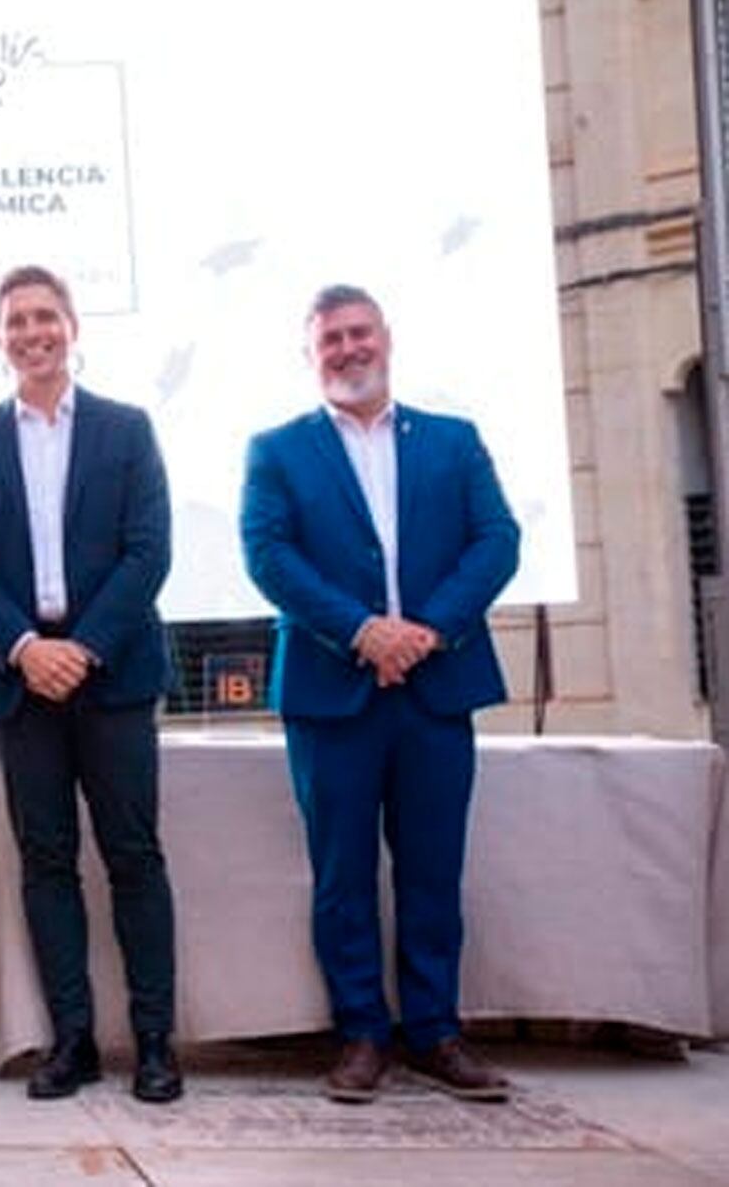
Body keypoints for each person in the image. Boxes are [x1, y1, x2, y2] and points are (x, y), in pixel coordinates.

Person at [239, 283, 520, 1104]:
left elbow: (497, 540)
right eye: (331, 339)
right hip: (334, 692)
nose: (348, 349)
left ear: (386, 339)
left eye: (359, 333)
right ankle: (362, 1033)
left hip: (436, 687)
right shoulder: (277, 450)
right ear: (311, 354)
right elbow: (269, 555)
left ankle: (436, 1032)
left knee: (434, 869)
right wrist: (364, 631)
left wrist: (425, 630)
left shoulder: (454, 441)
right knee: (342, 873)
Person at [0, 265, 183, 1103]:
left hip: (110, 675)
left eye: (46, 316)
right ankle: (71, 1041)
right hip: (21, 683)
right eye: (16, 320)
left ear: (72, 327)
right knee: (45, 863)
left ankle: (154, 1042)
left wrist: (80, 647)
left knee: (133, 858)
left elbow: (148, 550)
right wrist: (21, 645)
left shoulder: (126, 428)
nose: (33, 332)